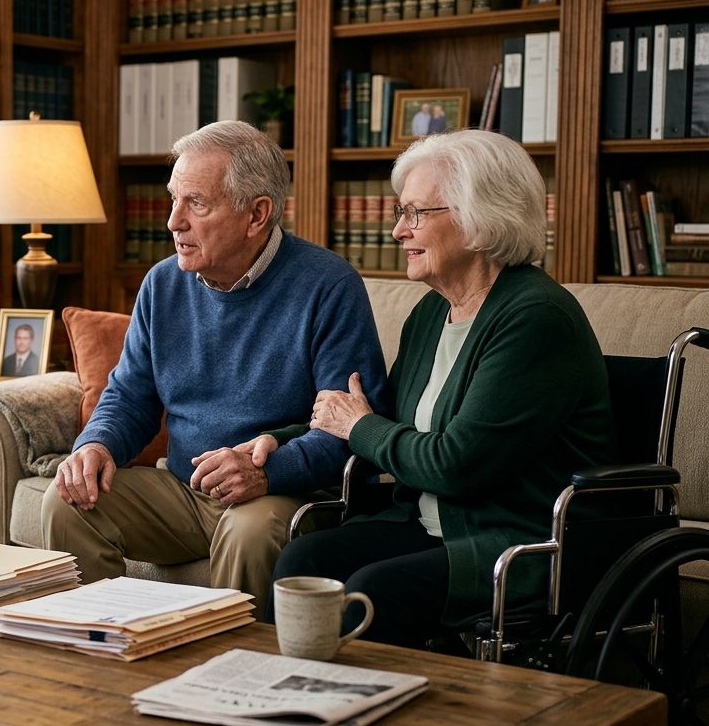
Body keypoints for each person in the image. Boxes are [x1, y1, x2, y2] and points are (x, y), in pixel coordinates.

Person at [267, 130, 615, 649]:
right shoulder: (433, 311)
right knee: (304, 560)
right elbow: (377, 412)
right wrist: (280, 439)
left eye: (415, 213)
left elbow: (454, 464)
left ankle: (367, 720)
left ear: (480, 216)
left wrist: (358, 425)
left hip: (512, 540)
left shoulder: (535, 318)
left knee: (373, 590)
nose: (398, 231)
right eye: (399, 213)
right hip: (430, 525)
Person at [41, 120, 388, 617]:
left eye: (196, 204)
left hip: (279, 493)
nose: (173, 222)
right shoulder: (162, 285)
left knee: (250, 531)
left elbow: (349, 428)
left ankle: (228, 677)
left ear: (257, 214)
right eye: (173, 199)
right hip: (184, 490)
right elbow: (130, 396)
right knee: (66, 501)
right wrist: (96, 444)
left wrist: (270, 472)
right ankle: (100, 653)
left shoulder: (329, 287)